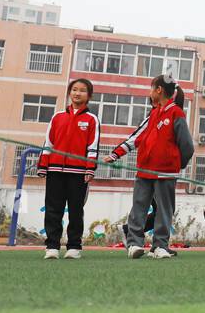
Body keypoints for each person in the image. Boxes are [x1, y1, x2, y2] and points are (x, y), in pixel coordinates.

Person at [104, 74, 194, 259]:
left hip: (165, 172)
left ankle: (160, 245)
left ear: (158, 90)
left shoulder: (176, 113)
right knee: (139, 207)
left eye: (151, 88)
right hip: (144, 170)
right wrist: (115, 154)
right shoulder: (153, 114)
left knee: (164, 209)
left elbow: (187, 146)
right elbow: (138, 138)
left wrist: (176, 165)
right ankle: (134, 244)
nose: (150, 92)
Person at [37, 78, 100, 260]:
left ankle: (74, 247)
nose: (77, 93)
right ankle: (52, 246)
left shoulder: (91, 119)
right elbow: (48, 143)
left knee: (75, 210)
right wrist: (43, 165)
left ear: (89, 96)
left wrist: (90, 169)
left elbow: (93, 146)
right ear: (69, 93)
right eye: (74, 89)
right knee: (53, 209)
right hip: (55, 170)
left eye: (82, 90)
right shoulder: (57, 117)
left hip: (78, 173)